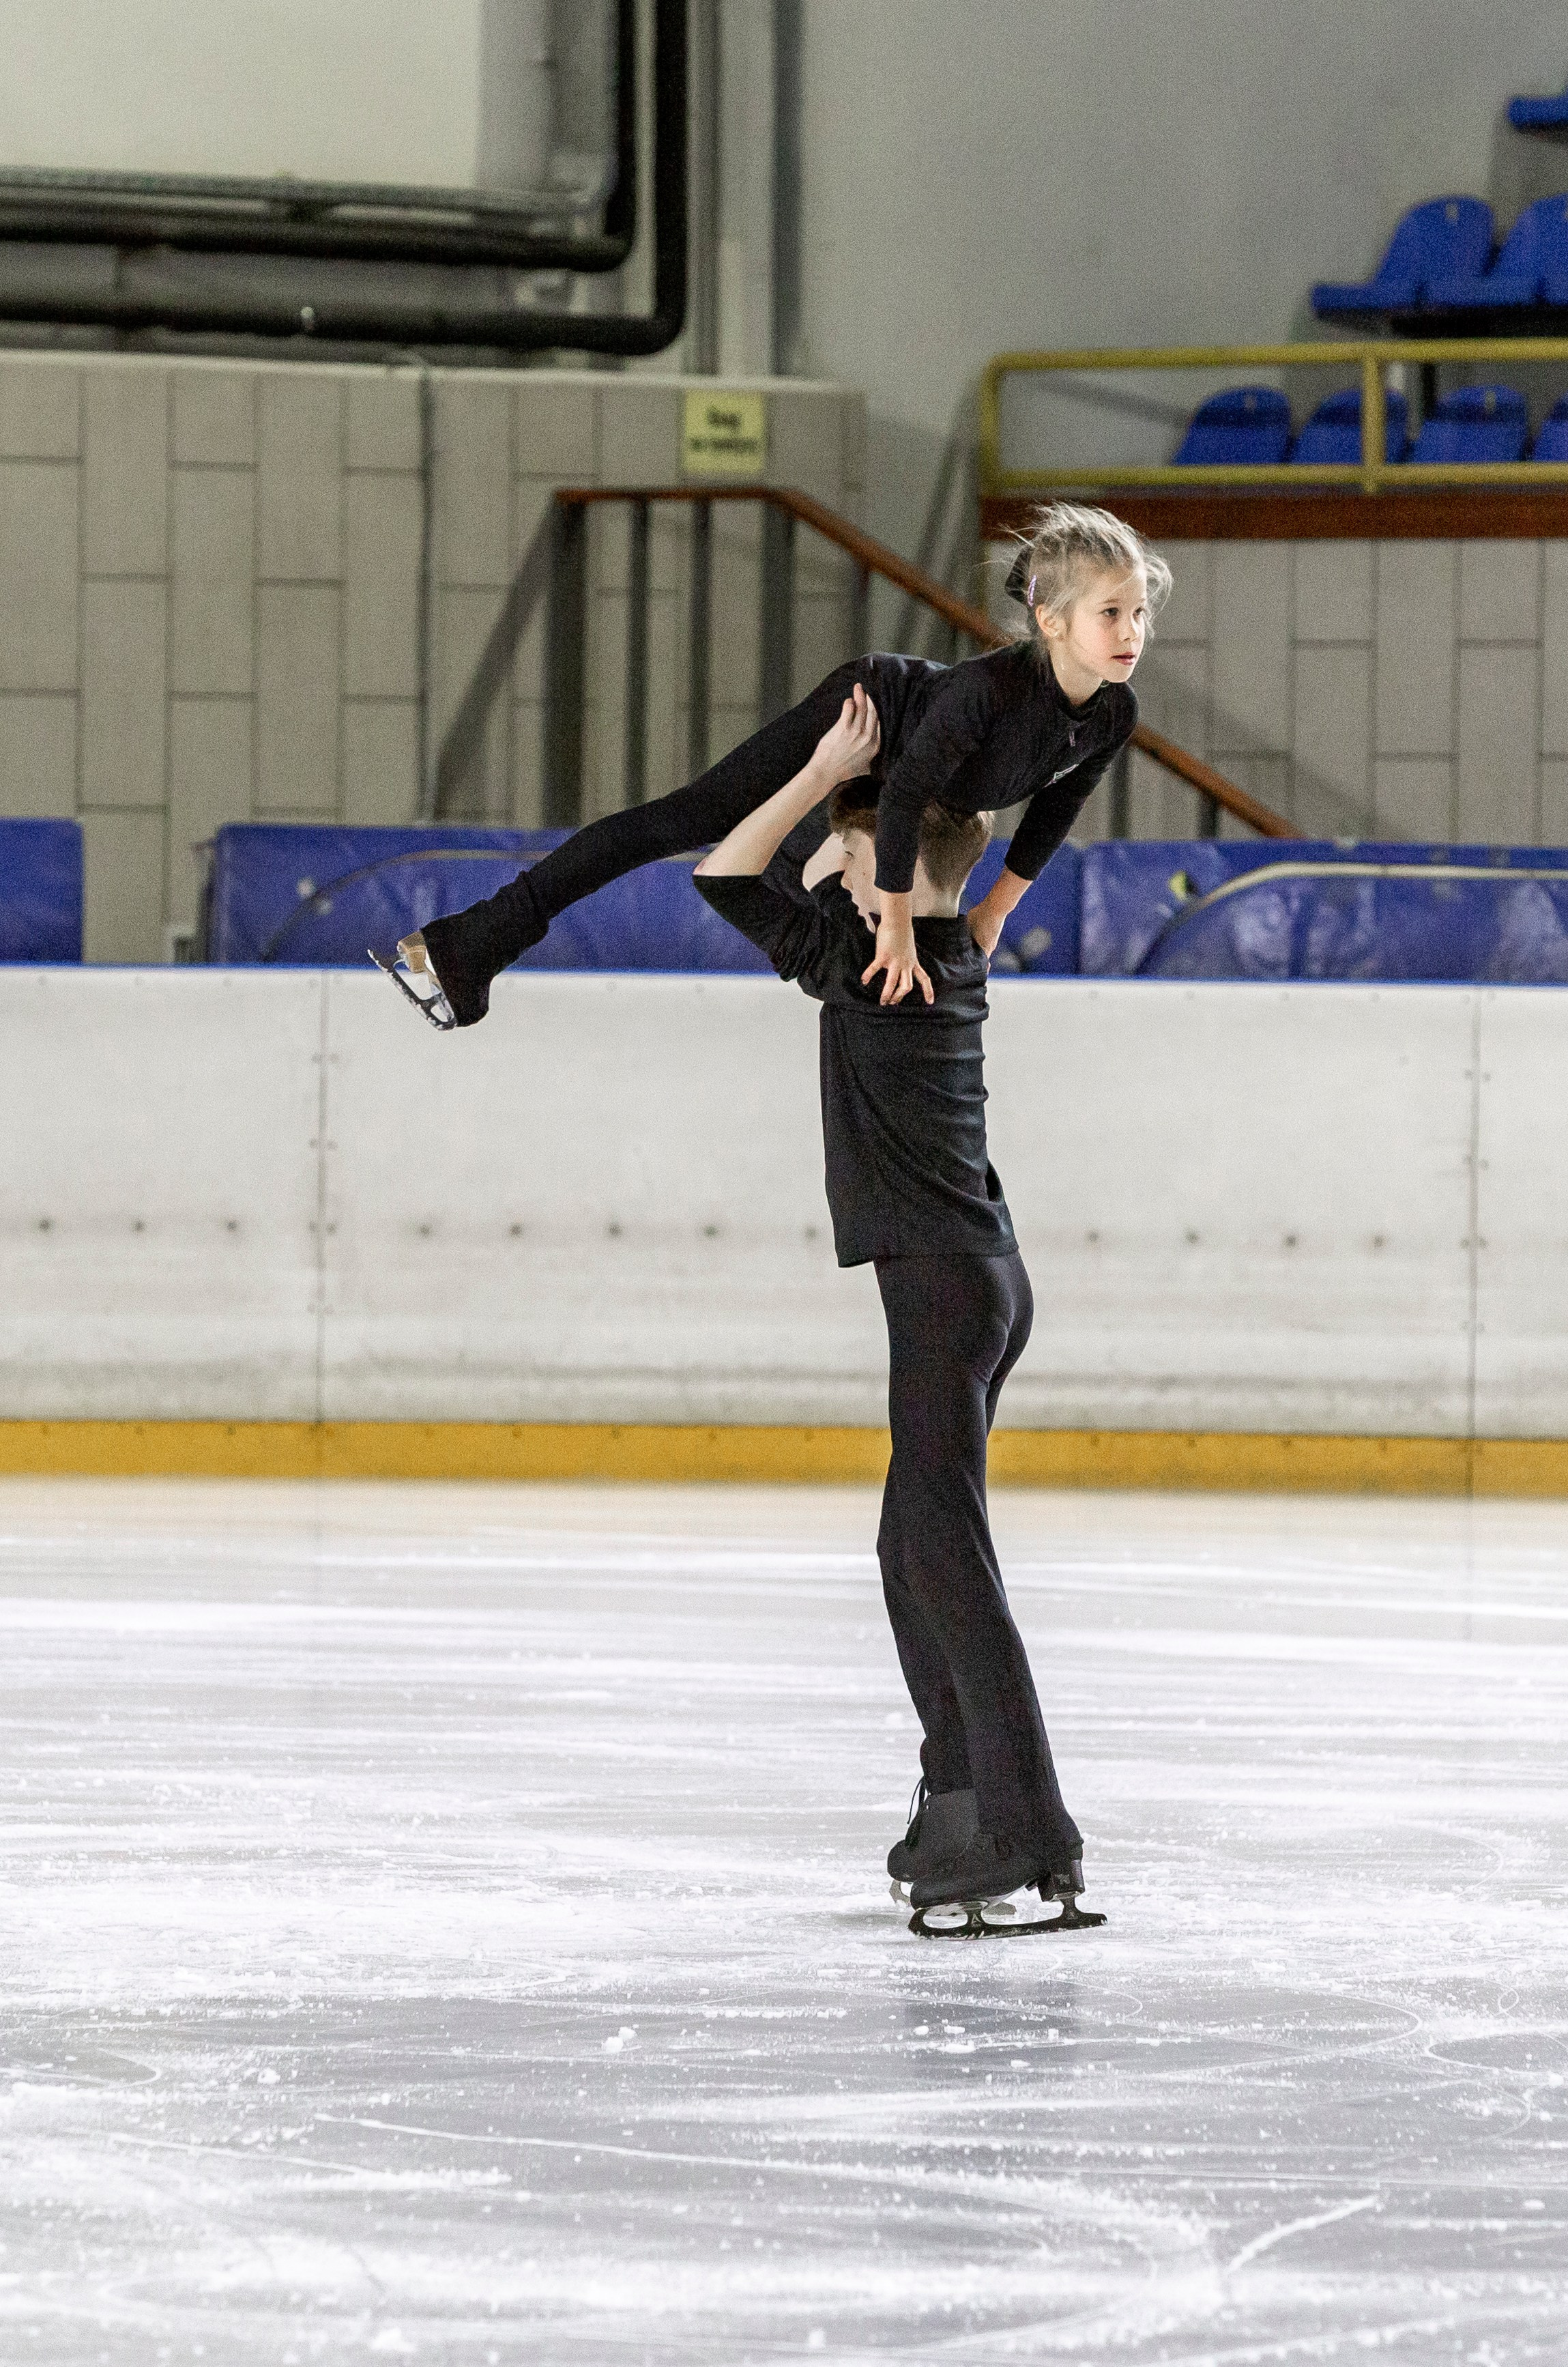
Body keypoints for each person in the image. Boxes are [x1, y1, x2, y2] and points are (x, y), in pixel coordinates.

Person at [691, 684, 1098, 1934]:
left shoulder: (870, 973)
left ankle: (1029, 1829)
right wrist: (866, 830)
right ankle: (958, 1793)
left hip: (940, 1294)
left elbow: (725, 870)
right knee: (908, 1549)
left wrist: (823, 768)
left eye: (856, 856)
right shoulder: (944, 942)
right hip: (978, 1285)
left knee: (945, 1558)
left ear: (878, 866)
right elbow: (816, 875)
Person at [378, 501, 1167, 1029]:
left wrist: (994, 912)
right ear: (1049, 619)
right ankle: (469, 942)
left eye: (1138, 613)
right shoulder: (986, 694)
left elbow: (1055, 812)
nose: (1130, 630)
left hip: (904, 794)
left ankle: (458, 952)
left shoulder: (1111, 711)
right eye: (1109, 613)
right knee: (688, 823)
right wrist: (894, 930)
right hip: (868, 717)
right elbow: (903, 803)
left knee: (811, 916)